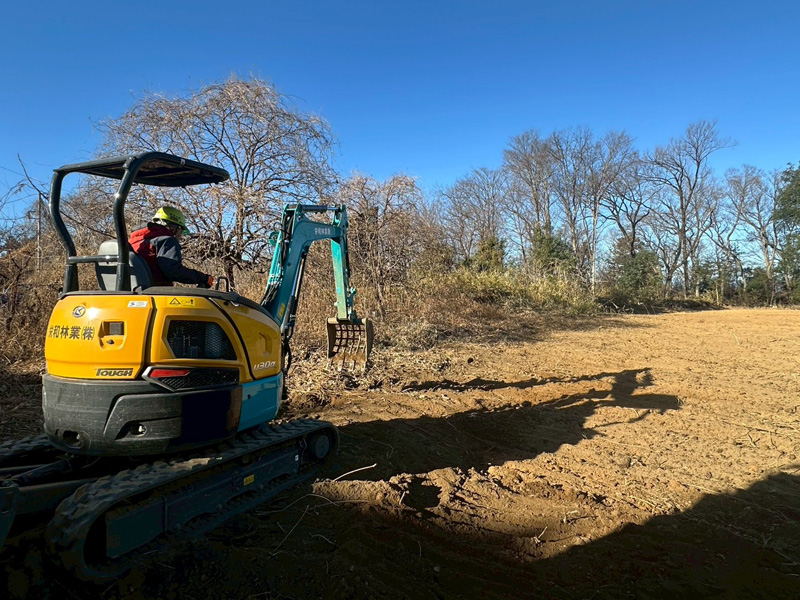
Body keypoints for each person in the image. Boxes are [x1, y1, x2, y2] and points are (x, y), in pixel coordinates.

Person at [129, 206, 213, 288]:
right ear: (174, 228)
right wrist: (203, 278)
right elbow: (173, 271)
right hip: (154, 293)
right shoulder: (167, 240)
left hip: (131, 292)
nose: (180, 236)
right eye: (181, 231)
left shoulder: (134, 241)